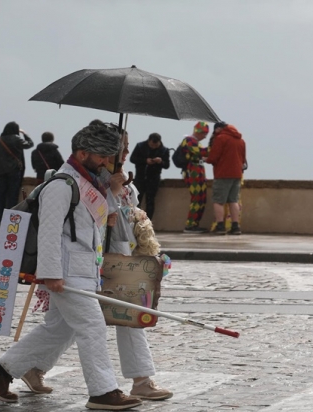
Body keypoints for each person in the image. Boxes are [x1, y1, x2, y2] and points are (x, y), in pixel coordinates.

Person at [0, 123, 142, 411]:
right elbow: (49, 232)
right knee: (92, 327)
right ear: (82, 152)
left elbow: (99, 222)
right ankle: (103, 391)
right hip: (65, 272)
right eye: (101, 156)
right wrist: (50, 273)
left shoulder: (89, 183)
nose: (105, 161)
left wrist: (112, 196)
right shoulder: (62, 184)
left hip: (83, 270)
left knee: (58, 330)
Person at [104, 130, 173, 401]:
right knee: (70, 323)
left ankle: (141, 379)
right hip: (100, 258)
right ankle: (13, 368)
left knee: (128, 316)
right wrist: (111, 191)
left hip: (123, 257)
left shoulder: (126, 183)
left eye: (127, 147)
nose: (125, 152)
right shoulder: (94, 180)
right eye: (121, 147)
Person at [206, 121, 246, 235]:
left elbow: (213, 157)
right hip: (237, 174)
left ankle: (220, 226)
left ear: (219, 129)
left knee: (218, 201)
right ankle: (235, 226)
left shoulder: (221, 138)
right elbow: (243, 159)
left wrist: (206, 159)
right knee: (233, 200)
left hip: (223, 174)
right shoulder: (240, 140)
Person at [0, 121, 34, 229]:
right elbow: (30, 144)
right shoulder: (17, 139)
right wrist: (24, 133)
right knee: (12, 198)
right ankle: (9, 223)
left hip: (0, 174)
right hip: (14, 173)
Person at [129, 132, 169, 220]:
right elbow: (132, 159)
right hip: (140, 177)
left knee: (150, 201)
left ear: (159, 143)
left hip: (153, 179)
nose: (153, 147)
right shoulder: (140, 146)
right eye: (151, 145)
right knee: (136, 200)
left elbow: (167, 165)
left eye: (155, 145)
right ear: (148, 141)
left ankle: (148, 221)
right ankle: (134, 220)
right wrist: (145, 161)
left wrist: (160, 161)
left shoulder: (164, 150)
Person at [180, 121, 210, 233]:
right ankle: (190, 225)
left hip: (199, 173)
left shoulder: (196, 142)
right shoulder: (189, 141)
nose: (205, 136)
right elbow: (202, 152)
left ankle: (195, 223)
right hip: (192, 174)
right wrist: (213, 146)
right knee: (197, 198)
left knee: (202, 199)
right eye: (204, 133)